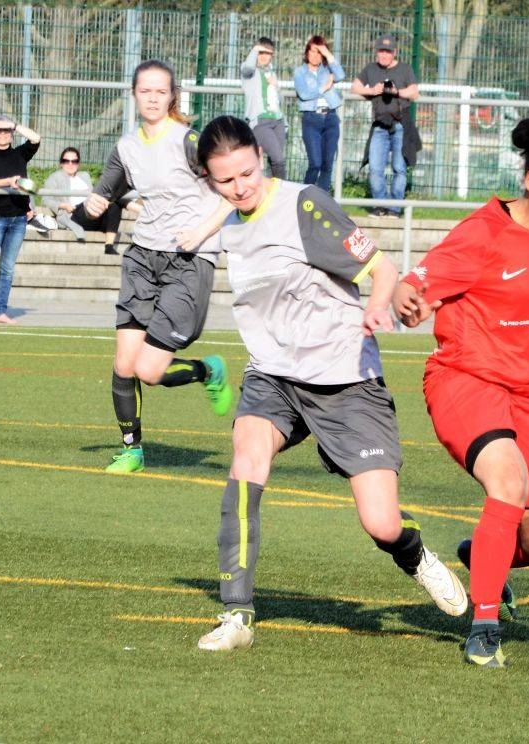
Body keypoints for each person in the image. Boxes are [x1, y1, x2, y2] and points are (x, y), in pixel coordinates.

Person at [192, 115, 467, 652]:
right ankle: (237, 614)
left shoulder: (305, 205)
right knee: (246, 462)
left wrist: (377, 307)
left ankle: (415, 554)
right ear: (210, 180)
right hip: (273, 376)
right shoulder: (228, 223)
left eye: (247, 173)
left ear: (261, 158)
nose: (240, 187)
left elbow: (382, 269)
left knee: (381, 523)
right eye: (225, 180)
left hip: (345, 380)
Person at [392, 118, 529, 668]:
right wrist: (408, 296)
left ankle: (483, 555)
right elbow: (418, 283)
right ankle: (483, 628)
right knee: (508, 482)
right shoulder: (482, 232)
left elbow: (520, 307)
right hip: (464, 380)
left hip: (525, 388)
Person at [82, 59, 234, 474]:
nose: (152, 98)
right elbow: (102, 196)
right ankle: (131, 450)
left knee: (149, 371)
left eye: (160, 91)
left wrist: (201, 232)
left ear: (172, 97)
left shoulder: (190, 142)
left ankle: (207, 370)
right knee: (124, 364)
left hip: (189, 260)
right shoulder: (126, 147)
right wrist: (90, 205)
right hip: (142, 258)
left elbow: (234, 191)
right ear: (134, 94)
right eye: (144, 90)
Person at [0, 116, 42, 324]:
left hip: (18, 218)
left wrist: (14, 125)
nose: (3, 134)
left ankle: (0, 311)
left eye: (6, 131)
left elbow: (36, 138)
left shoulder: (20, 154)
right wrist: (9, 181)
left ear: (12, 134)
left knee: (7, 268)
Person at [351, 34, 419, 217]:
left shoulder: (405, 69)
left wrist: (397, 92)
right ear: (376, 52)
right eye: (381, 51)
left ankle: (394, 209)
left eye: (388, 51)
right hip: (379, 125)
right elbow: (355, 87)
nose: (384, 55)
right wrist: (373, 90)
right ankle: (380, 205)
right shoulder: (370, 69)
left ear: (394, 52)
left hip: (400, 125)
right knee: (375, 168)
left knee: (399, 168)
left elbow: (414, 92)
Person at [42, 147, 122, 254]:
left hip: (92, 211)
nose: (70, 164)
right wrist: (63, 205)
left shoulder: (84, 176)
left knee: (115, 204)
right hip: (75, 213)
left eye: (74, 161)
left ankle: (109, 246)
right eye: (66, 161)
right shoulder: (55, 177)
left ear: (78, 163)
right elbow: (46, 199)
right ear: (61, 163)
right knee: (89, 203)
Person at [293, 35, 345, 193]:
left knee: (327, 164)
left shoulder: (327, 70)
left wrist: (328, 54)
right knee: (315, 163)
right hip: (312, 118)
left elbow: (341, 75)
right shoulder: (300, 72)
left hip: (330, 117)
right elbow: (304, 94)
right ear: (307, 52)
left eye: (319, 52)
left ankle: (323, 199)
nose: (315, 56)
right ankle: (305, 195)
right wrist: (324, 88)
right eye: (312, 51)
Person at [240, 37, 286, 179]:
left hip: (277, 120)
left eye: (268, 53)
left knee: (275, 161)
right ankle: (280, 189)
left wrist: (277, 87)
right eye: (262, 52)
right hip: (260, 122)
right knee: (278, 160)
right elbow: (248, 68)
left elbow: (279, 102)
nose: (265, 56)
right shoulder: (249, 71)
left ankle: (273, 190)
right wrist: (255, 49)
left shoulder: (271, 72)